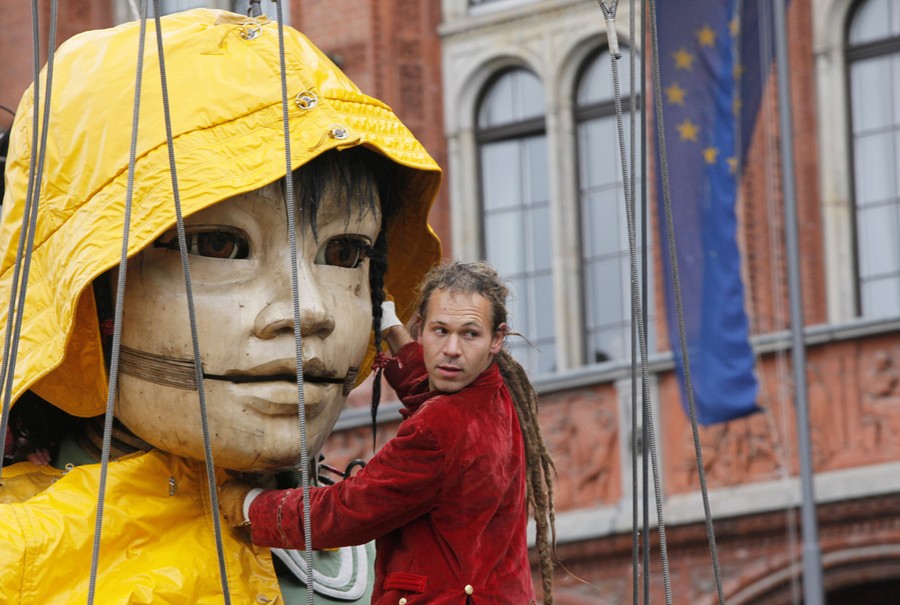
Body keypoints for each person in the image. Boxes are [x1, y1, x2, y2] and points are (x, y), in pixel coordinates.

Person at [0, 8, 440, 604]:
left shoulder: (421, 551)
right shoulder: (20, 561)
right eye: (219, 245)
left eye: (344, 252)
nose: (309, 310)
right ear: (85, 292)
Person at [221, 261, 557, 605]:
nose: (452, 349)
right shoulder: (497, 392)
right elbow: (432, 391)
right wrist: (393, 332)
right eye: (440, 331)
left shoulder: (440, 427)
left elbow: (345, 512)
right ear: (421, 329)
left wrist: (250, 505)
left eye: (469, 334)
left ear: (496, 339)